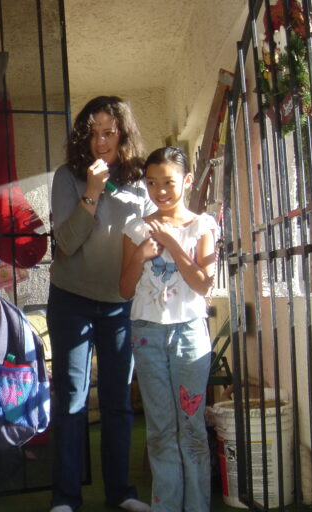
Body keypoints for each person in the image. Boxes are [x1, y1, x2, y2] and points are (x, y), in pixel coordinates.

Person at [47, 96, 154, 512]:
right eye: (92, 134)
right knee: (72, 397)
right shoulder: (66, 177)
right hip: (70, 300)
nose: (100, 142)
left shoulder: (142, 181)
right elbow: (67, 244)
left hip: (119, 305)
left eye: (109, 132)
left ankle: (121, 493)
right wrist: (91, 192)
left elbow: (147, 244)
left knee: (117, 400)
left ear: (123, 134)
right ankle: (65, 498)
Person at [119, 146, 218, 511]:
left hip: (190, 334)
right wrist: (142, 254)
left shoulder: (202, 224)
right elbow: (124, 289)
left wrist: (175, 245)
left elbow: (204, 284)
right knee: (160, 430)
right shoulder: (135, 228)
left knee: (192, 430)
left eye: (169, 182)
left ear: (187, 181)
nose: (160, 190)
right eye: (152, 182)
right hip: (146, 334)